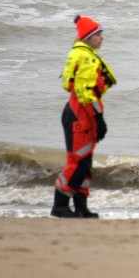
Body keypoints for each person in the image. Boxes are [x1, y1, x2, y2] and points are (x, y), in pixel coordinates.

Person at [53, 14, 116, 218]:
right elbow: (85, 91)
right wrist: (99, 119)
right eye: (98, 34)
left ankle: (81, 206)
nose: (102, 38)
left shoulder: (81, 53)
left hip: (80, 114)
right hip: (80, 115)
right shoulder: (86, 56)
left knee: (85, 163)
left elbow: (78, 87)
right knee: (78, 162)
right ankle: (60, 205)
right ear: (89, 37)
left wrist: (95, 119)